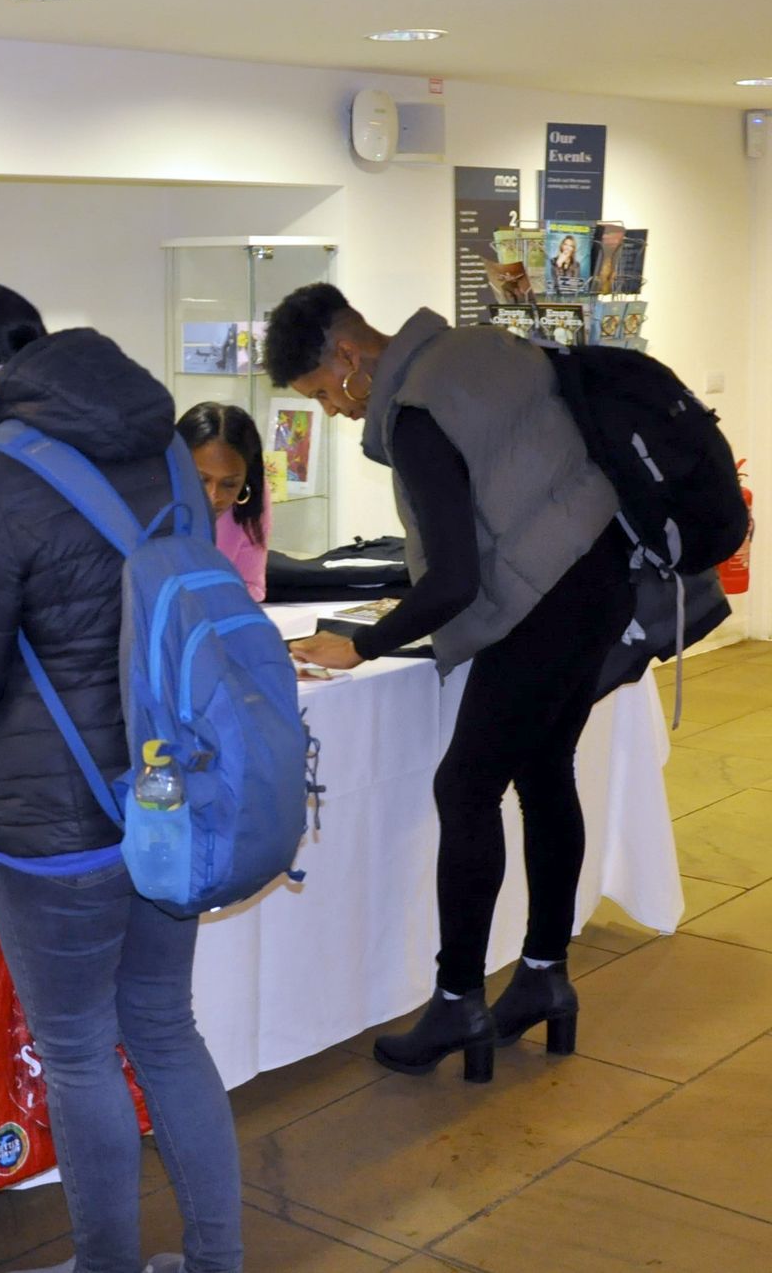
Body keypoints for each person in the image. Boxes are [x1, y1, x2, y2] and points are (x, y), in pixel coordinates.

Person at [0, 283, 242, 1273]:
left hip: (54, 822)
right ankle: (213, 1259)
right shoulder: (161, 445)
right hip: (167, 792)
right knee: (164, 1025)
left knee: (76, 1052)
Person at [265, 282, 630, 1084]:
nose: (332, 412)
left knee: (465, 789)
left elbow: (455, 581)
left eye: (327, 393)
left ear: (349, 357)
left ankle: (459, 997)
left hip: (541, 606)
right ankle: (543, 975)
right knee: (543, 773)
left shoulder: (416, 411)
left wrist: (362, 643)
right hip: (603, 581)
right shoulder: (481, 348)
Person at [176, 402, 271, 601]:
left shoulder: (253, 497)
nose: (213, 496)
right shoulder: (146, 501)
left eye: (229, 484)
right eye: (201, 480)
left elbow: (252, 586)